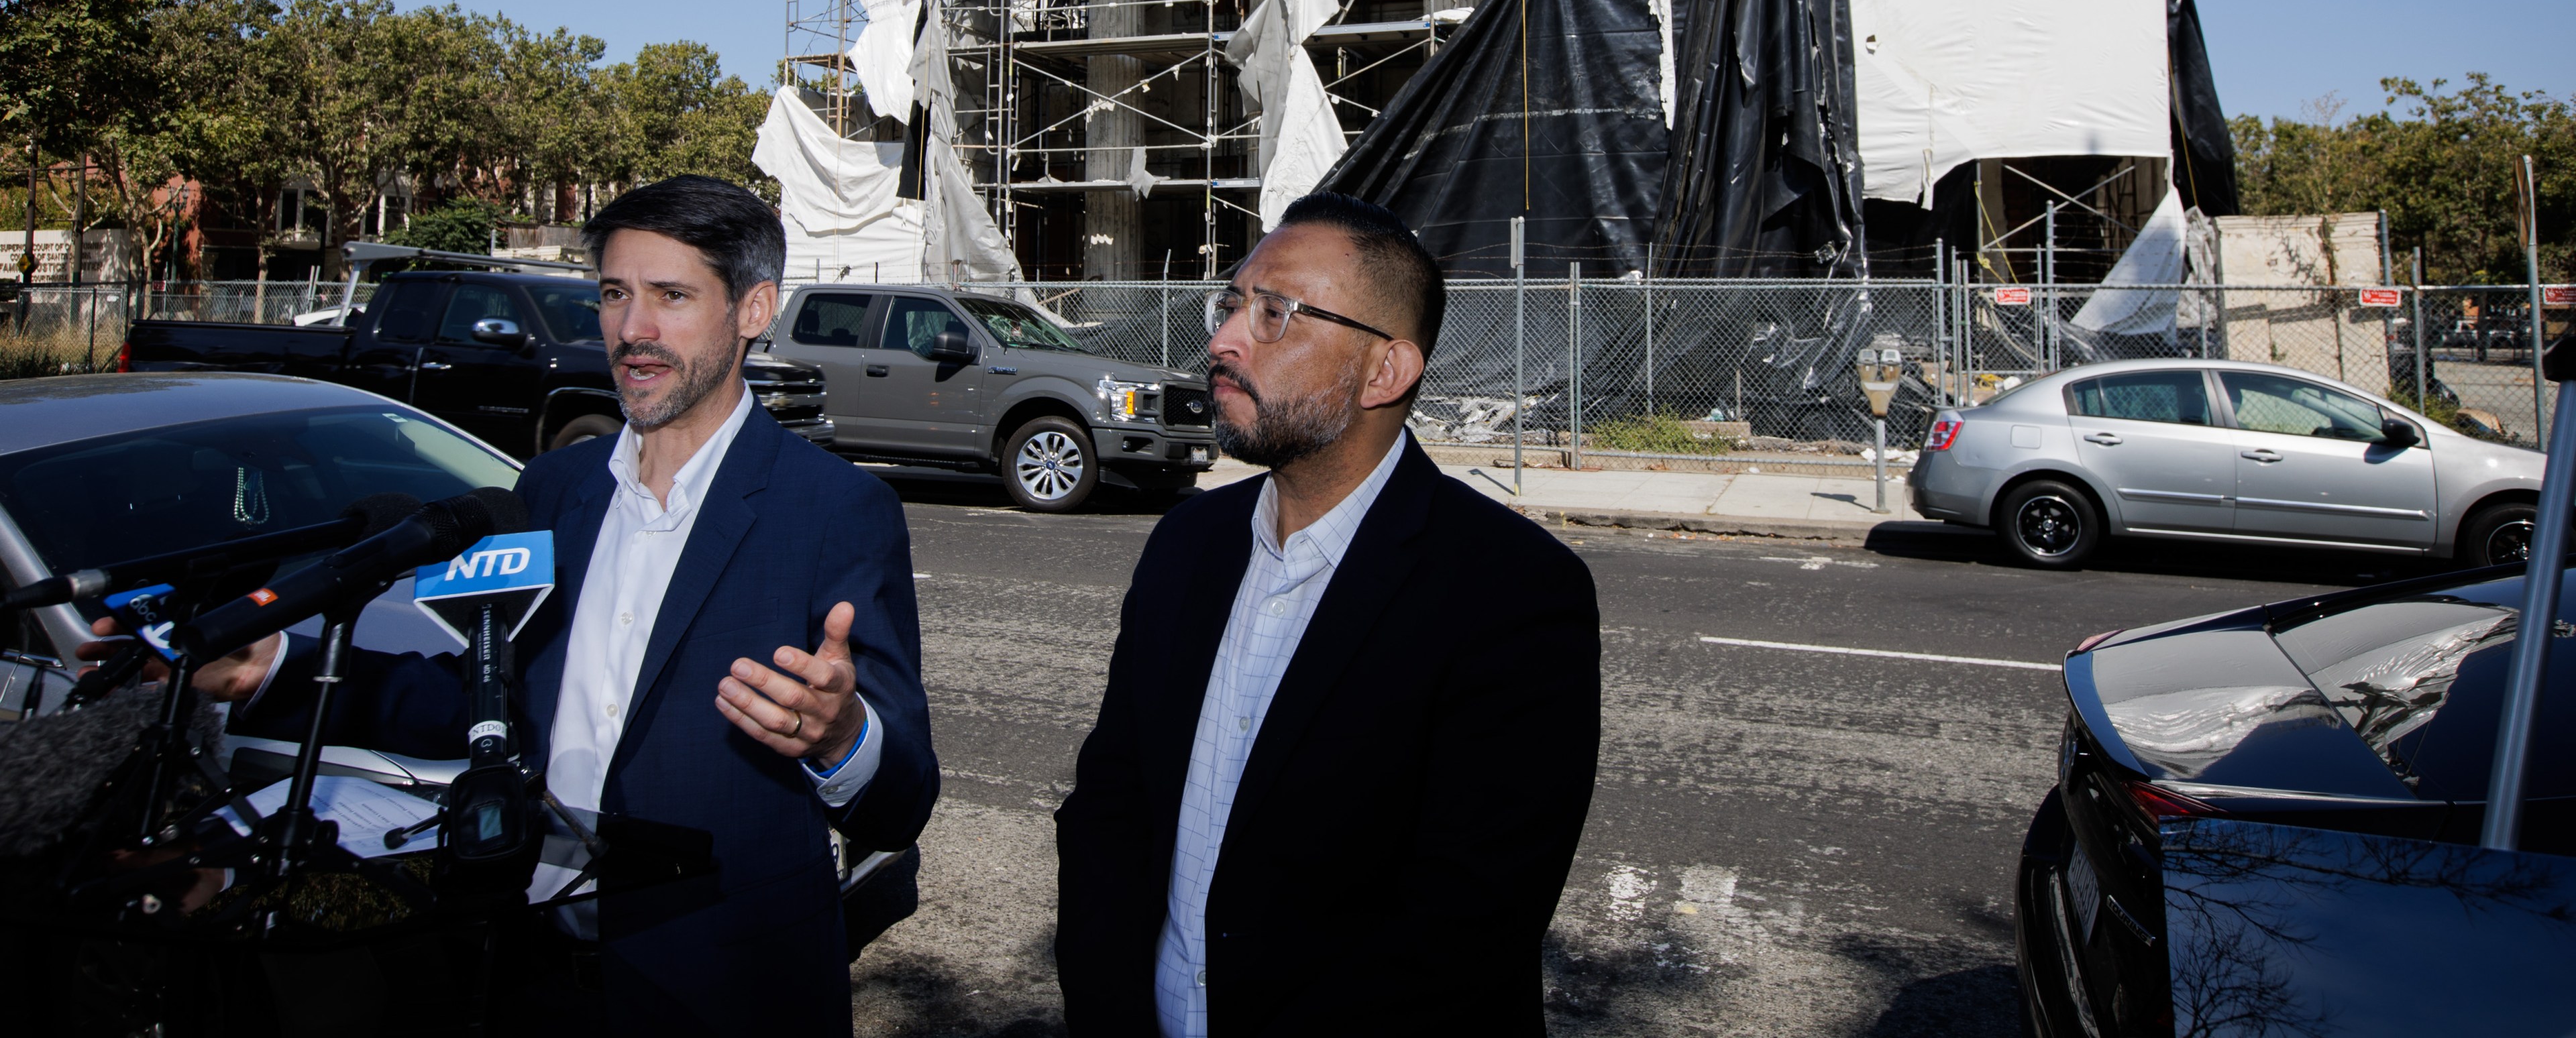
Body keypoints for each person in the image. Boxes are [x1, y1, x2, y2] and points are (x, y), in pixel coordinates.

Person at [115, 175, 936, 1034]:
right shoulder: (549, 490)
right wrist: (268, 666)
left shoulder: (836, 509)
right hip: (529, 976)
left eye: (672, 297)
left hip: (729, 987)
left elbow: (903, 798)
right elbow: (480, 703)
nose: (634, 330)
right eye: (615, 294)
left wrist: (843, 740)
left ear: (754, 308)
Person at [1055, 192, 1601, 1037]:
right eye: (1233, 303)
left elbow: (1463, 931)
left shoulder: (1513, 594)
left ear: (1386, 371)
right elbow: (1108, 813)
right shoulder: (1186, 544)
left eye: (1276, 314)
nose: (1225, 339)